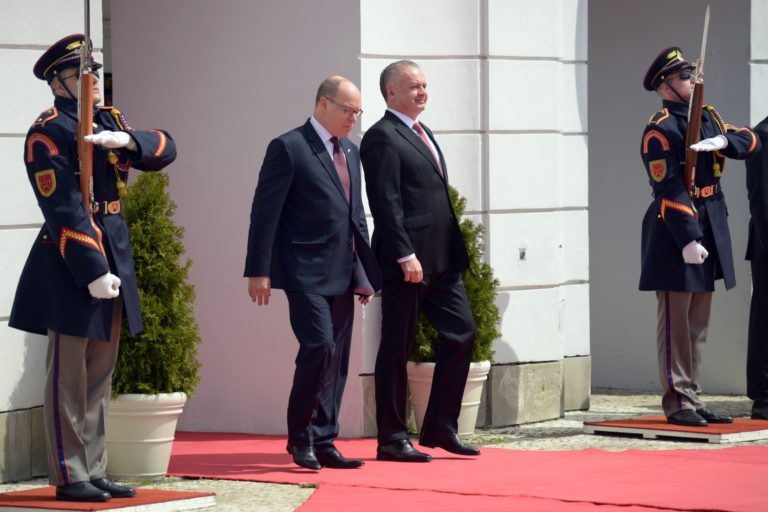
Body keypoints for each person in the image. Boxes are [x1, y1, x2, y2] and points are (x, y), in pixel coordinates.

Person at [9, 34, 177, 501]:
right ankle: (70, 474)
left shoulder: (108, 121)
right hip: (72, 259)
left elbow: (166, 149)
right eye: (81, 73)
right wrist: (92, 270)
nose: (94, 81)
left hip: (114, 249)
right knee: (69, 377)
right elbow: (62, 206)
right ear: (58, 83)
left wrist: (127, 141)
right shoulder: (48, 132)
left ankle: (94, 467)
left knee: (100, 375)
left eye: (95, 72)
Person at [244, 76, 381, 470]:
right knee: (319, 347)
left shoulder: (350, 151)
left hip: (343, 272)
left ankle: (324, 440)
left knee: (337, 360)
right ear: (323, 103)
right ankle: (300, 437)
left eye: (357, 112)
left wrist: (364, 272)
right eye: (347, 110)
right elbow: (264, 213)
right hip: (303, 271)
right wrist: (258, 270)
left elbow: (355, 216)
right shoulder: (289, 147)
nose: (352, 118)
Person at [360, 60, 479, 462]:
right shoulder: (381, 137)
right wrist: (404, 253)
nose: (422, 92)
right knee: (397, 345)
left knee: (462, 333)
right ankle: (392, 438)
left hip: (442, 260)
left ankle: (440, 427)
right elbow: (386, 202)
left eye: (425, 85)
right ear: (391, 92)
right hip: (406, 263)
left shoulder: (422, 132)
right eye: (414, 86)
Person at [639, 47, 761, 427]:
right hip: (676, 230)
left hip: (710, 222)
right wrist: (688, 238)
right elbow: (668, 187)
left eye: (690, 73)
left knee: (698, 323)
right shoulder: (660, 129)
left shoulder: (708, 117)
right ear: (665, 86)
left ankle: (692, 395)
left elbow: (751, 141)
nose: (691, 79)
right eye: (683, 76)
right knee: (676, 323)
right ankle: (677, 401)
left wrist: (725, 142)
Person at [746, 115, 768, 420]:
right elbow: (761, 197)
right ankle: (763, 398)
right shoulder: (763, 134)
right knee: (765, 321)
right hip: (767, 245)